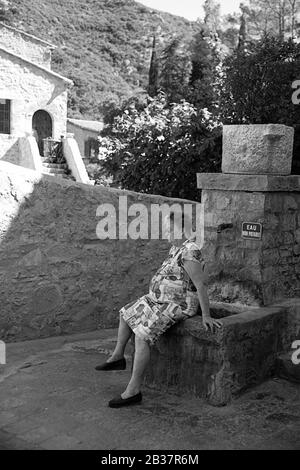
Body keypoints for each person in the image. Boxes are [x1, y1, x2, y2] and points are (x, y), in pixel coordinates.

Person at [95, 211, 222, 408]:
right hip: (159, 300)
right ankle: (118, 356)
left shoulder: (190, 250)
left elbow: (200, 284)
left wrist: (206, 315)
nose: (166, 233)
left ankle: (133, 390)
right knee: (126, 312)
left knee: (142, 334)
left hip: (178, 304)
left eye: (169, 229)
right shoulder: (175, 249)